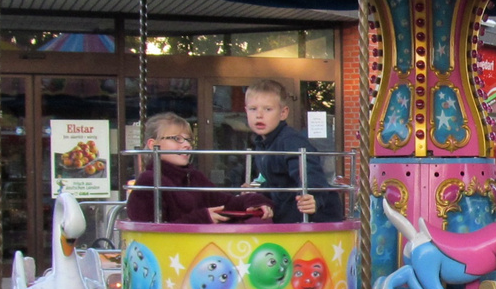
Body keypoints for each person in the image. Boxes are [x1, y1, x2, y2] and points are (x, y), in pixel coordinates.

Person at [125, 113, 272, 224]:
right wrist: (202, 218)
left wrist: (256, 202)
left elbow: (228, 203)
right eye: (177, 139)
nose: (187, 145)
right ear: (153, 145)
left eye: (189, 139)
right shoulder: (149, 180)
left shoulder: (194, 177)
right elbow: (148, 232)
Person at [243, 79, 344, 223]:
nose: (259, 115)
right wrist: (258, 191)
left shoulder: (290, 141)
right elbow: (278, 182)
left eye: (267, 109)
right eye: (253, 109)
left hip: (316, 216)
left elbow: (310, 172)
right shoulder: (263, 143)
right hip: (289, 212)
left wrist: (313, 196)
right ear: (246, 111)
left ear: (283, 113)